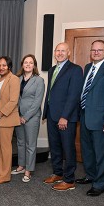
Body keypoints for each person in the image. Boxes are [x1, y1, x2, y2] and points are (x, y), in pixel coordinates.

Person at [75, 40, 104, 196]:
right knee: (87, 151)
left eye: (99, 50)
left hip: (101, 120)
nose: (96, 52)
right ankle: (90, 175)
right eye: (93, 50)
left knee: (100, 153)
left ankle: (100, 183)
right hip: (85, 116)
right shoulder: (88, 67)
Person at [42, 42, 83, 191]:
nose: (59, 53)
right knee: (55, 147)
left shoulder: (75, 70)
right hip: (52, 115)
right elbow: (51, 93)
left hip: (66, 117)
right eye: (57, 51)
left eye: (63, 51)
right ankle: (57, 173)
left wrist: (65, 116)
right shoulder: (53, 69)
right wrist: (46, 112)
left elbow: (74, 96)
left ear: (69, 53)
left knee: (68, 148)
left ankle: (69, 179)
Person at [0, 56, 20, 184]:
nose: (1, 68)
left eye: (4, 65)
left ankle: (5, 175)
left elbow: (13, 101)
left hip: (6, 116)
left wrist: (0, 114)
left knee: (5, 147)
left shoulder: (14, 79)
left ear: (9, 67)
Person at [13, 54, 45, 183]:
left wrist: (25, 117)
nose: (28, 64)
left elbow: (37, 102)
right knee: (20, 142)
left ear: (34, 65)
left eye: (30, 63)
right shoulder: (17, 79)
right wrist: (18, 115)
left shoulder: (39, 80)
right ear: (22, 64)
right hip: (17, 116)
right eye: (25, 62)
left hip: (31, 117)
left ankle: (28, 170)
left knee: (30, 144)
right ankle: (21, 166)